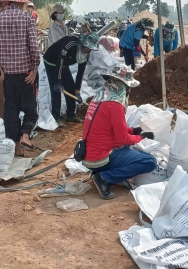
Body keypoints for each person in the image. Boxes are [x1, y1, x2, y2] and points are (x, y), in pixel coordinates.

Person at [81, 64, 157, 199]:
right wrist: (141, 136)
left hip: (90, 155)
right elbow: (123, 138)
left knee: (128, 146)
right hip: (100, 158)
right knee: (149, 162)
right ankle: (104, 177)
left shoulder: (99, 98)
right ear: (123, 86)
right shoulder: (115, 104)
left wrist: (133, 130)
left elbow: (110, 128)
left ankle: (103, 172)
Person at [0, 0, 40, 156]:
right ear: (19, 2)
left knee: (11, 112)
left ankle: (17, 148)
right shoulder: (27, 18)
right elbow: (34, 46)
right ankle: (25, 135)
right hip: (25, 74)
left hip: (7, 75)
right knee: (31, 111)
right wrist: (35, 69)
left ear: (7, 2)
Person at [43, 32, 100, 127]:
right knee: (56, 90)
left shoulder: (86, 54)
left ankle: (71, 115)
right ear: (83, 44)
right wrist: (57, 82)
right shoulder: (71, 44)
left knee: (70, 87)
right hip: (52, 61)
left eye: (91, 49)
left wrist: (77, 91)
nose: (88, 50)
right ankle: (56, 117)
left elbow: (81, 72)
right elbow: (59, 62)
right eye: (87, 48)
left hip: (64, 65)